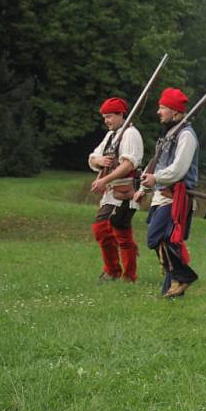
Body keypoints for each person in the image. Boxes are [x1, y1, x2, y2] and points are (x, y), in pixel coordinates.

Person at [135, 88, 199, 299]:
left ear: (175, 111)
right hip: (162, 194)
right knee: (166, 241)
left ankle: (183, 276)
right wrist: (144, 187)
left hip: (177, 196)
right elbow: (156, 163)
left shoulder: (186, 135)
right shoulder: (168, 135)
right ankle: (172, 288)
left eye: (163, 107)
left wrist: (156, 179)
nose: (159, 112)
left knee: (157, 238)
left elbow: (179, 168)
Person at [88, 97, 143, 283]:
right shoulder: (112, 135)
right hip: (112, 192)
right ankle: (125, 274)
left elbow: (128, 165)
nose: (106, 121)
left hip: (125, 191)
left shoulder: (130, 134)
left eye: (110, 116)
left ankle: (116, 272)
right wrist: (100, 161)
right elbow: (94, 156)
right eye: (104, 117)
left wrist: (105, 180)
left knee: (104, 228)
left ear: (121, 115)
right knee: (120, 232)